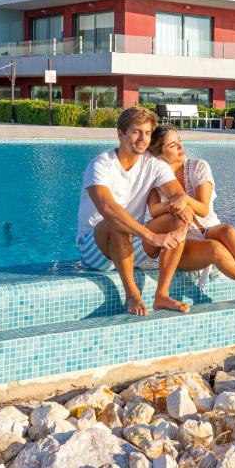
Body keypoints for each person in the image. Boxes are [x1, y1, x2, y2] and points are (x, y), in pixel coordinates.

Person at [147, 125, 235, 329]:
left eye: (180, 141)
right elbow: (153, 210)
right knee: (215, 249)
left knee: (228, 230)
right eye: (172, 144)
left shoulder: (198, 167)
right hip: (182, 241)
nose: (180, 147)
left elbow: (203, 209)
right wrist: (171, 204)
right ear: (159, 152)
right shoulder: (157, 176)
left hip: (208, 227)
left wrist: (184, 199)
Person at [76, 106, 192, 316]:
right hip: (95, 247)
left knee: (176, 216)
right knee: (117, 221)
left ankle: (162, 295)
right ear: (120, 134)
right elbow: (106, 207)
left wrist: (182, 228)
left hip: (131, 244)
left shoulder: (154, 165)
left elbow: (179, 197)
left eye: (147, 133)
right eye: (136, 132)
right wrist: (151, 236)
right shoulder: (101, 164)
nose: (143, 139)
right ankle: (132, 295)